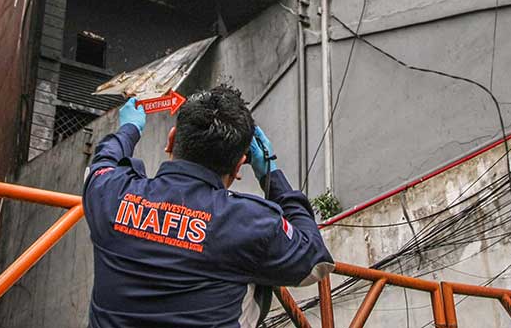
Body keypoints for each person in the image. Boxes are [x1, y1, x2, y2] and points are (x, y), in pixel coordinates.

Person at [82, 84, 333, 327]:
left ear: (171, 140)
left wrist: (129, 129)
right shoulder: (251, 222)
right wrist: (271, 174)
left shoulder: (113, 193)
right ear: (238, 167)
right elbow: (315, 264)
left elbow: (99, 168)